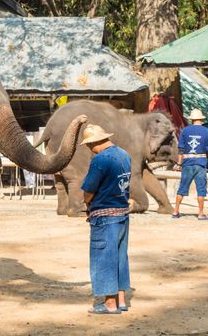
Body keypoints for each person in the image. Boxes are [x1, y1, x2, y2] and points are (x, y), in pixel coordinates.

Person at [80, 124, 131, 315]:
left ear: (94, 142)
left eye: (88, 145)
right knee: (120, 257)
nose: (88, 149)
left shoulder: (100, 160)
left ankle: (109, 304)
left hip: (104, 217)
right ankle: (121, 300)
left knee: (104, 257)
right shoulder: (124, 155)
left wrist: (87, 204)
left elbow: (88, 191)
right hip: (123, 214)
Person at [172, 108, 208, 220]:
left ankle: (176, 212)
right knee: (201, 189)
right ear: (201, 119)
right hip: (201, 164)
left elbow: (181, 149)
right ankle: (200, 214)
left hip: (187, 163)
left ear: (192, 120)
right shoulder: (207, 131)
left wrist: (179, 163)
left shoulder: (185, 131)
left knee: (182, 188)